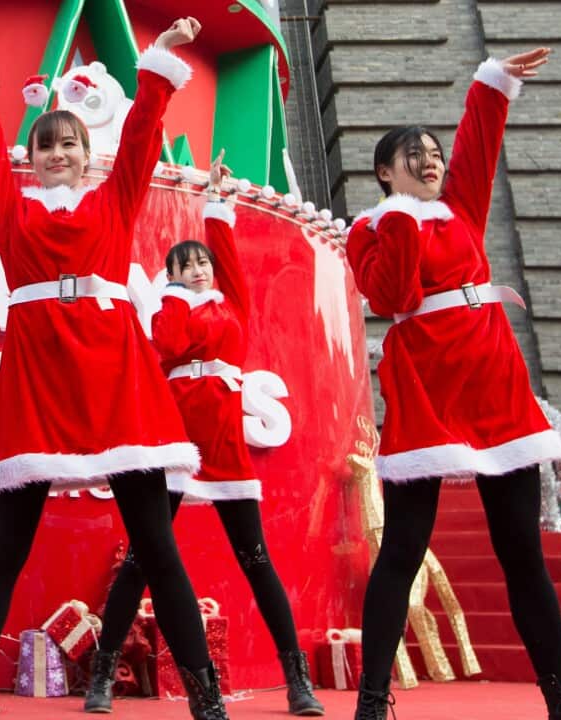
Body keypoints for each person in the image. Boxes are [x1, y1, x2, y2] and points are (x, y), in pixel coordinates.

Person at [0, 15, 230, 720]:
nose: (58, 152)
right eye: (47, 145)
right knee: (8, 543)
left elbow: (141, 136)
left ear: (86, 151)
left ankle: (205, 695)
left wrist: (157, 58)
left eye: (70, 143)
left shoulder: (112, 197)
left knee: (157, 545)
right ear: (30, 157)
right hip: (40, 374)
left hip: (116, 371)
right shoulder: (12, 205)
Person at [345, 48, 561, 720]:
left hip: (493, 383)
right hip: (427, 390)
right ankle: (373, 700)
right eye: (412, 153)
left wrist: (493, 81)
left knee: (521, 555)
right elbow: (392, 293)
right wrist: (400, 215)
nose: (429, 159)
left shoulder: (461, 208)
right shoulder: (368, 229)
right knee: (401, 549)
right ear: (383, 171)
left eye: (433, 150)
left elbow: (480, 143)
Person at [84, 151, 323, 717]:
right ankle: (102, 673)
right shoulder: (171, 308)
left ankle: (298, 679)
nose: (197, 270)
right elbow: (166, 344)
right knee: (144, 559)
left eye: (202, 264)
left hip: (224, 440)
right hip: (173, 437)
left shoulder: (230, 302)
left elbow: (226, 256)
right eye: (185, 265)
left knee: (255, 557)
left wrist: (214, 203)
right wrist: (174, 296)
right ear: (170, 275)